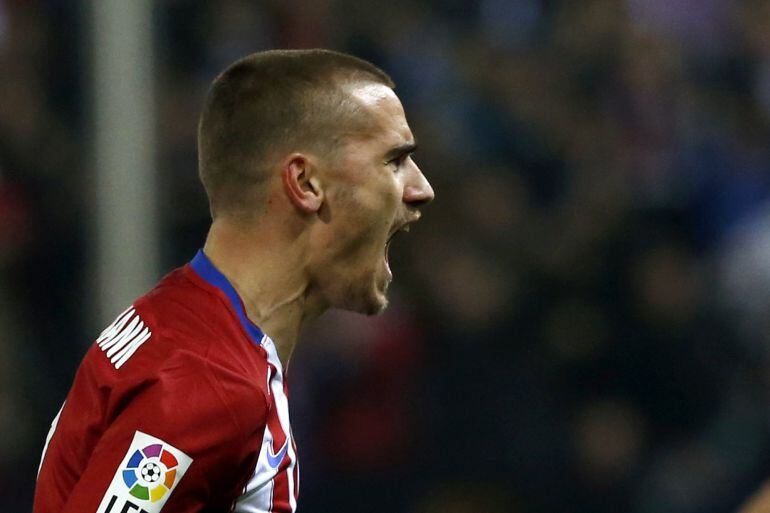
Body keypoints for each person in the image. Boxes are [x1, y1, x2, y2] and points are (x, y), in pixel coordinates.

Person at [33, 49, 434, 513]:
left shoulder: (189, 319)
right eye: (395, 160)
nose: (421, 188)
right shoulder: (208, 384)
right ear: (305, 183)